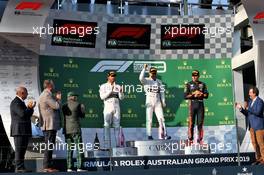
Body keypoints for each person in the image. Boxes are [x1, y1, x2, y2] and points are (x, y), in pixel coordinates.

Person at [139, 64, 171, 140]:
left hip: (157, 101)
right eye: (152, 72)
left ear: (156, 73)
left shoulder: (159, 82)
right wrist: (144, 68)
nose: (153, 74)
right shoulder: (146, 80)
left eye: (154, 73)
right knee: (149, 119)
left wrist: (163, 101)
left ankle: (165, 134)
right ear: (149, 73)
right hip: (149, 100)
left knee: (161, 118)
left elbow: (162, 92)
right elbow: (140, 78)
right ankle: (149, 135)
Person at [236, 87, 264, 165]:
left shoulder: (260, 101)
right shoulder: (250, 101)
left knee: (261, 144)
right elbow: (248, 114)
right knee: (255, 144)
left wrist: (248, 108)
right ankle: (259, 159)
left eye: (250, 93)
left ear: (254, 93)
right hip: (252, 127)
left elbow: (258, 112)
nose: (249, 94)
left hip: (259, 127)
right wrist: (241, 109)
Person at [10, 86, 36, 173]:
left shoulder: (21, 102)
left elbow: (27, 115)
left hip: (23, 130)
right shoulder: (16, 102)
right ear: (22, 93)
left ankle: (21, 167)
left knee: (22, 150)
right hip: (19, 131)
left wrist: (31, 108)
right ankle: (19, 167)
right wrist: (29, 108)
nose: (27, 94)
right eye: (26, 93)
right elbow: (22, 114)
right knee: (19, 150)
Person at [39, 80, 61, 172]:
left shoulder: (44, 94)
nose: (54, 85)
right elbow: (56, 106)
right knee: (49, 146)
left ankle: (48, 166)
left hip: (48, 125)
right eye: (53, 84)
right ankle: (46, 167)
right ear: (50, 86)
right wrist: (58, 98)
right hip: (49, 125)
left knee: (50, 145)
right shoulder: (47, 95)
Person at [62, 92, 86, 172]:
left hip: (67, 130)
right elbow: (82, 115)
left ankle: (69, 167)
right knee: (79, 149)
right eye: (75, 96)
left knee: (69, 149)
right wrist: (83, 109)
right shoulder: (78, 104)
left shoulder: (64, 105)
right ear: (72, 97)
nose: (76, 98)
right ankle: (80, 167)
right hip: (76, 129)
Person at [99, 71, 124, 148]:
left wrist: (121, 92)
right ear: (108, 77)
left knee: (117, 126)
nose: (113, 77)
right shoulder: (103, 86)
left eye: (114, 76)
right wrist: (110, 90)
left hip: (116, 107)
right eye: (111, 76)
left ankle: (118, 146)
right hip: (108, 107)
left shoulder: (118, 86)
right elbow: (102, 97)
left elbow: (122, 98)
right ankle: (107, 147)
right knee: (107, 126)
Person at [184, 70, 209, 145]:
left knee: (200, 123)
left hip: (200, 105)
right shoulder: (188, 84)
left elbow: (206, 95)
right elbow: (185, 96)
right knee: (191, 123)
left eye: (196, 75)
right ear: (192, 76)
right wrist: (193, 95)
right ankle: (190, 139)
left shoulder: (203, 84)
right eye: (193, 75)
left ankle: (200, 139)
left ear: (198, 76)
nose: (195, 77)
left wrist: (201, 94)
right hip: (192, 104)